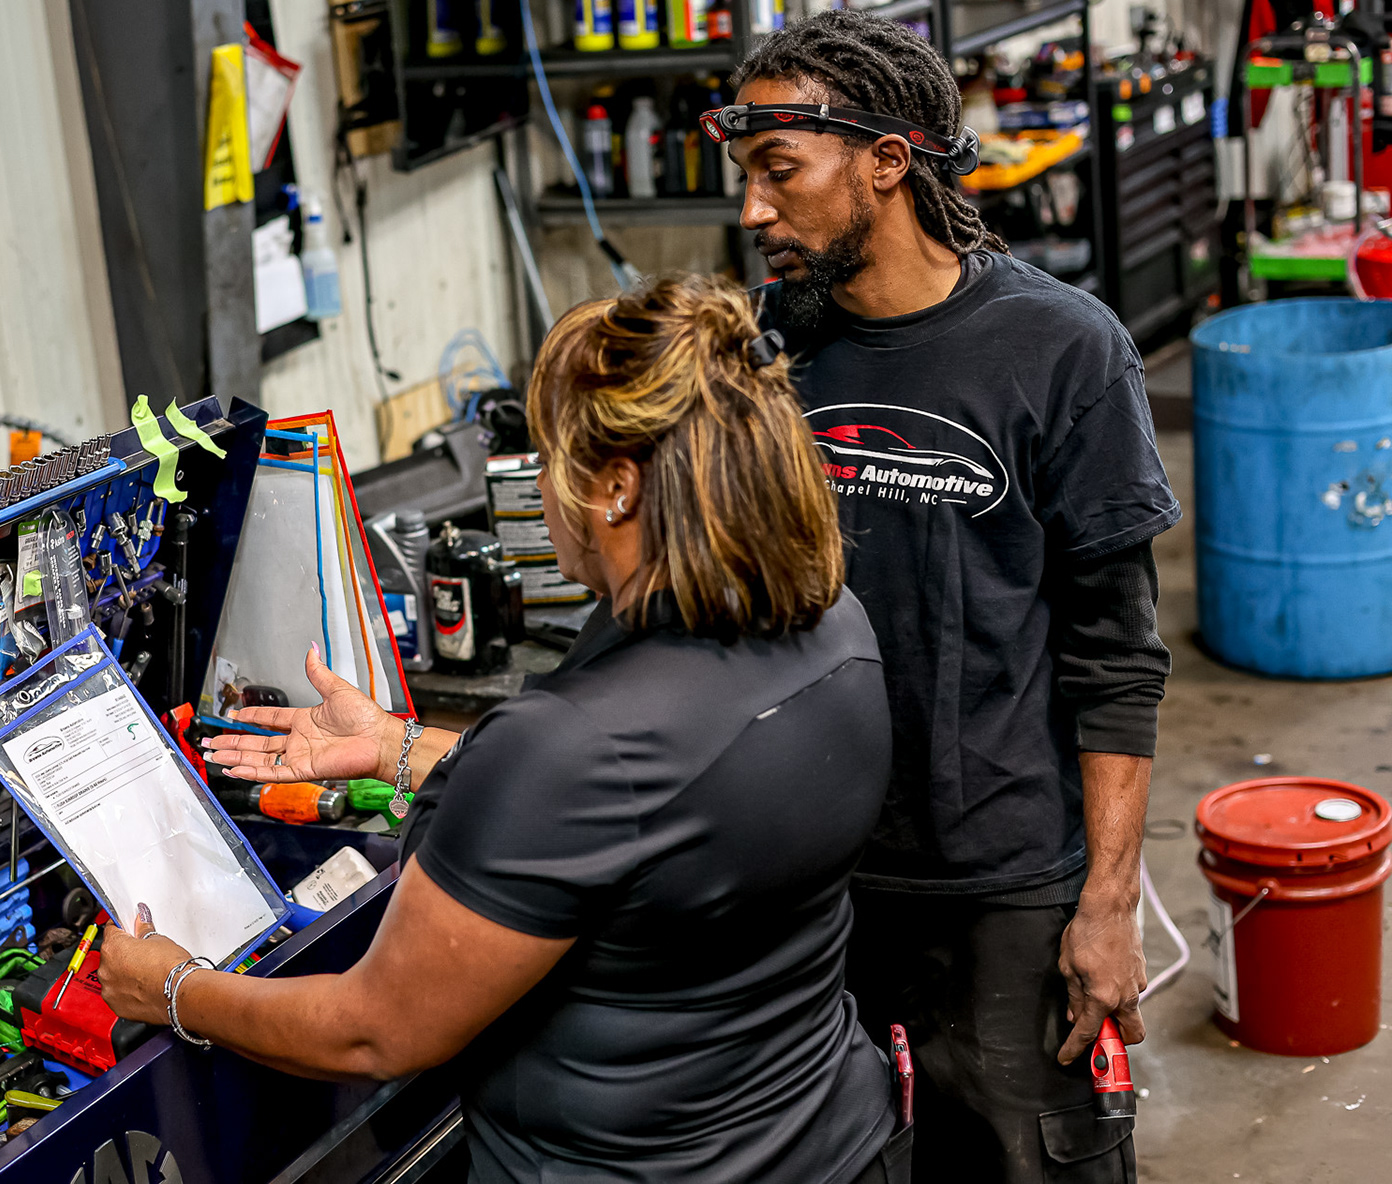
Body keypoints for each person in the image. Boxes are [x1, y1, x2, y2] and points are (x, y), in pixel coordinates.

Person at [97, 276, 912, 1183]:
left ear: (617, 488)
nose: (540, 485)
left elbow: (376, 1030)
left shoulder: (570, 747)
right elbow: (661, 815)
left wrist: (174, 988)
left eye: (550, 457)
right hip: (839, 1145)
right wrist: (399, 748)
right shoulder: (834, 630)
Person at [708, 9, 1178, 1183]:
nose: (754, 210)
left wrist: (1108, 899)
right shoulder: (766, 353)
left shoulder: (1063, 349)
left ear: (886, 160)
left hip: (1005, 884)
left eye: (779, 170)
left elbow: (1118, 655)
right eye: (746, 175)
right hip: (815, 873)